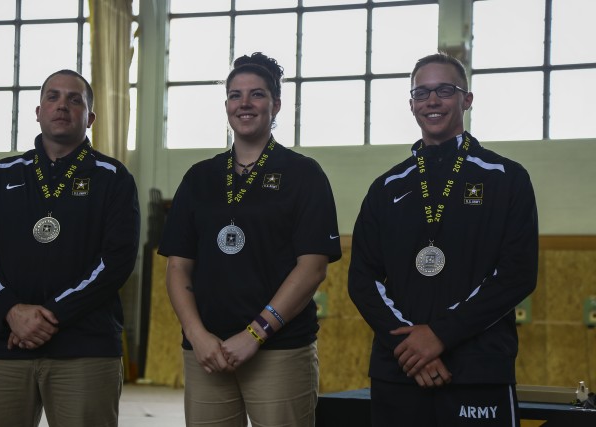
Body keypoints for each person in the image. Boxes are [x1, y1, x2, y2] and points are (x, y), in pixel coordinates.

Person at [348, 52, 538, 427]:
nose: (432, 101)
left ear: (466, 99)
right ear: (412, 105)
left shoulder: (506, 178)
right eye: (422, 93)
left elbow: (517, 274)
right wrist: (410, 347)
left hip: (477, 371)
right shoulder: (387, 188)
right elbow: (362, 279)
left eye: (445, 90)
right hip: (399, 369)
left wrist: (439, 335)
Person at [158, 52, 342, 427]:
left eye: (256, 94)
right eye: (234, 95)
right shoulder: (199, 178)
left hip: (278, 350)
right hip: (206, 352)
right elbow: (177, 266)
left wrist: (255, 334)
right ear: (226, 105)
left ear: (275, 104)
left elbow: (313, 268)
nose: (244, 103)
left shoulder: (303, 175)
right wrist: (197, 336)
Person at [0, 69, 140, 427]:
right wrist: (11, 311)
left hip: (85, 349)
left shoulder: (113, 177)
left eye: (75, 99)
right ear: (39, 110)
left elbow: (116, 261)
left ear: (89, 117)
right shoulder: (1, 175)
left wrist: (49, 315)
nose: (63, 106)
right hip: (7, 345)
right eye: (53, 97)